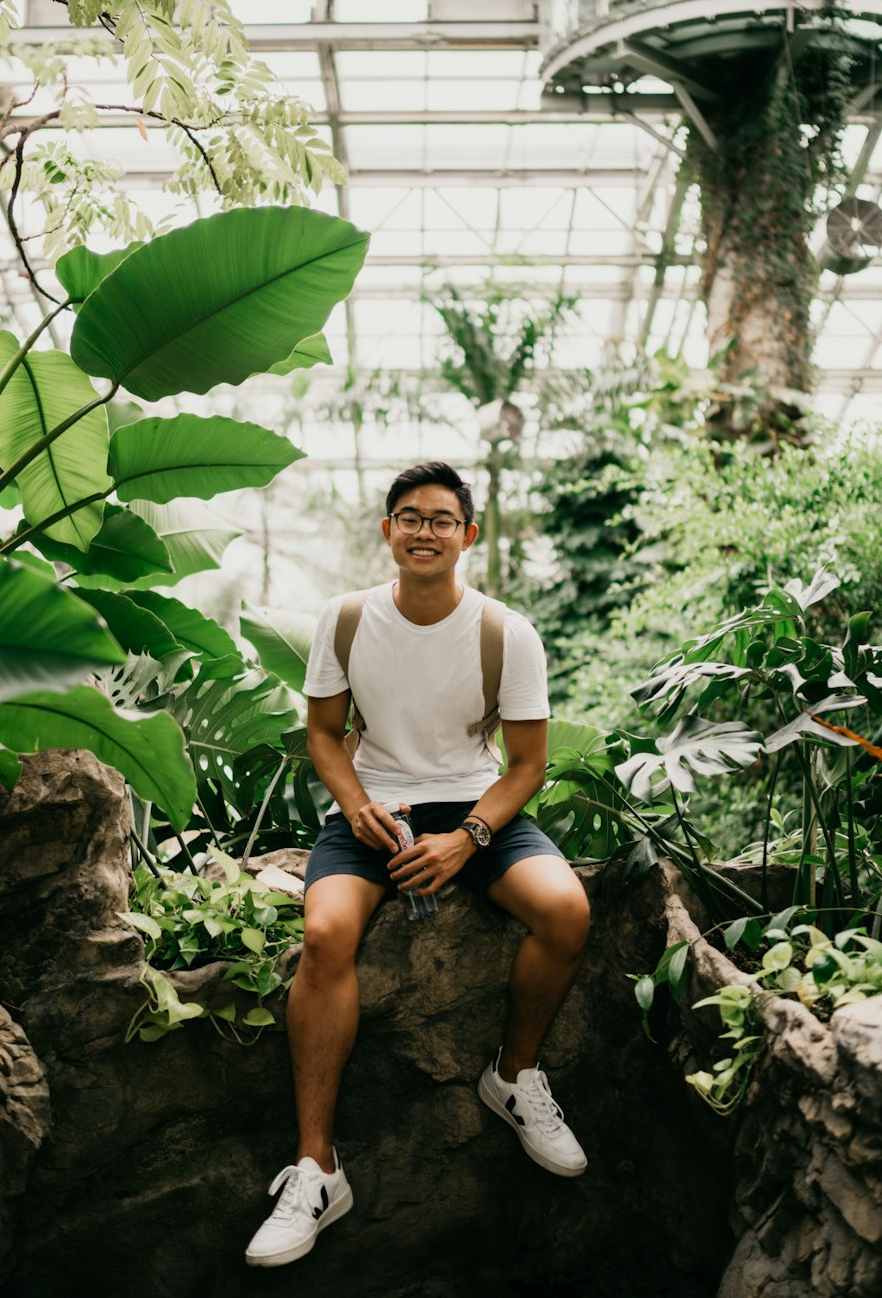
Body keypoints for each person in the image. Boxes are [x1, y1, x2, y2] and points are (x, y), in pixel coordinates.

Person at [245, 462, 591, 1269]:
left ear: (470, 534)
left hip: (477, 808)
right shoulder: (347, 619)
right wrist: (359, 803)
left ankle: (513, 1076)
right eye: (409, 516)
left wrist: (467, 836)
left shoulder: (506, 631)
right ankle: (317, 1168)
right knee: (326, 933)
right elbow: (326, 735)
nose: (424, 530)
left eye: (442, 518)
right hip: (374, 813)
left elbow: (528, 764)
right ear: (387, 531)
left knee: (567, 911)